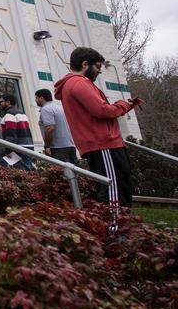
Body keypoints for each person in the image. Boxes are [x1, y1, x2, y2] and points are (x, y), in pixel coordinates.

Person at [54, 47, 143, 219]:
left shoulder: (74, 84)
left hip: (102, 144)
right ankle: (114, 233)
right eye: (97, 66)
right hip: (103, 144)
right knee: (114, 191)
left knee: (119, 187)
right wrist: (124, 105)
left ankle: (117, 230)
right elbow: (103, 111)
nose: (99, 71)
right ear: (85, 64)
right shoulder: (78, 83)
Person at [35, 87, 77, 163]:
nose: (35, 100)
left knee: (61, 173)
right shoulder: (58, 108)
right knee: (73, 173)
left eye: (36, 98)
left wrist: (47, 146)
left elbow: (50, 128)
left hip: (58, 148)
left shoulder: (46, 109)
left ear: (41, 98)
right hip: (70, 146)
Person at [0, 93, 34, 170]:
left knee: (20, 173)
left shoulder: (9, 114)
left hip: (17, 149)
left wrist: (7, 151)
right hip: (28, 147)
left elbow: (10, 134)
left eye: (1, 102)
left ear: (8, 102)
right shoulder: (22, 113)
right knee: (29, 173)